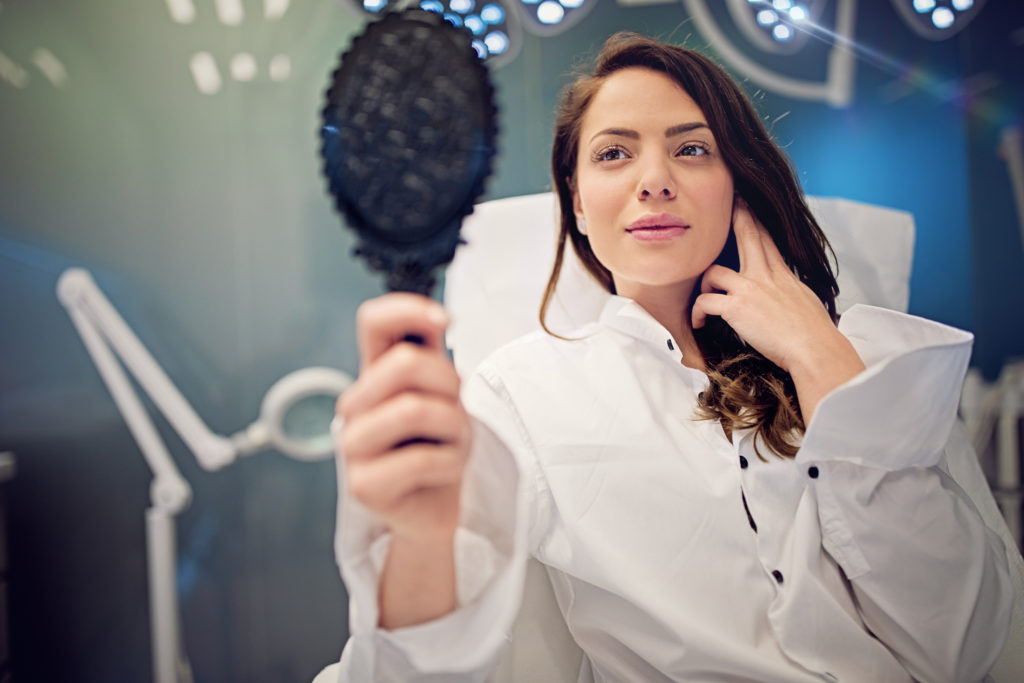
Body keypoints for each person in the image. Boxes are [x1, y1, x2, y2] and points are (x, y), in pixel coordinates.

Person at [331, 32, 1013, 682]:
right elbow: (419, 658)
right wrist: (416, 540)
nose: (654, 180)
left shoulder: (860, 361)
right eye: (612, 154)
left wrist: (819, 356)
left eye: (691, 150)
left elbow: (969, 644)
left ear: (736, 183)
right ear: (577, 202)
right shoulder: (520, 393)